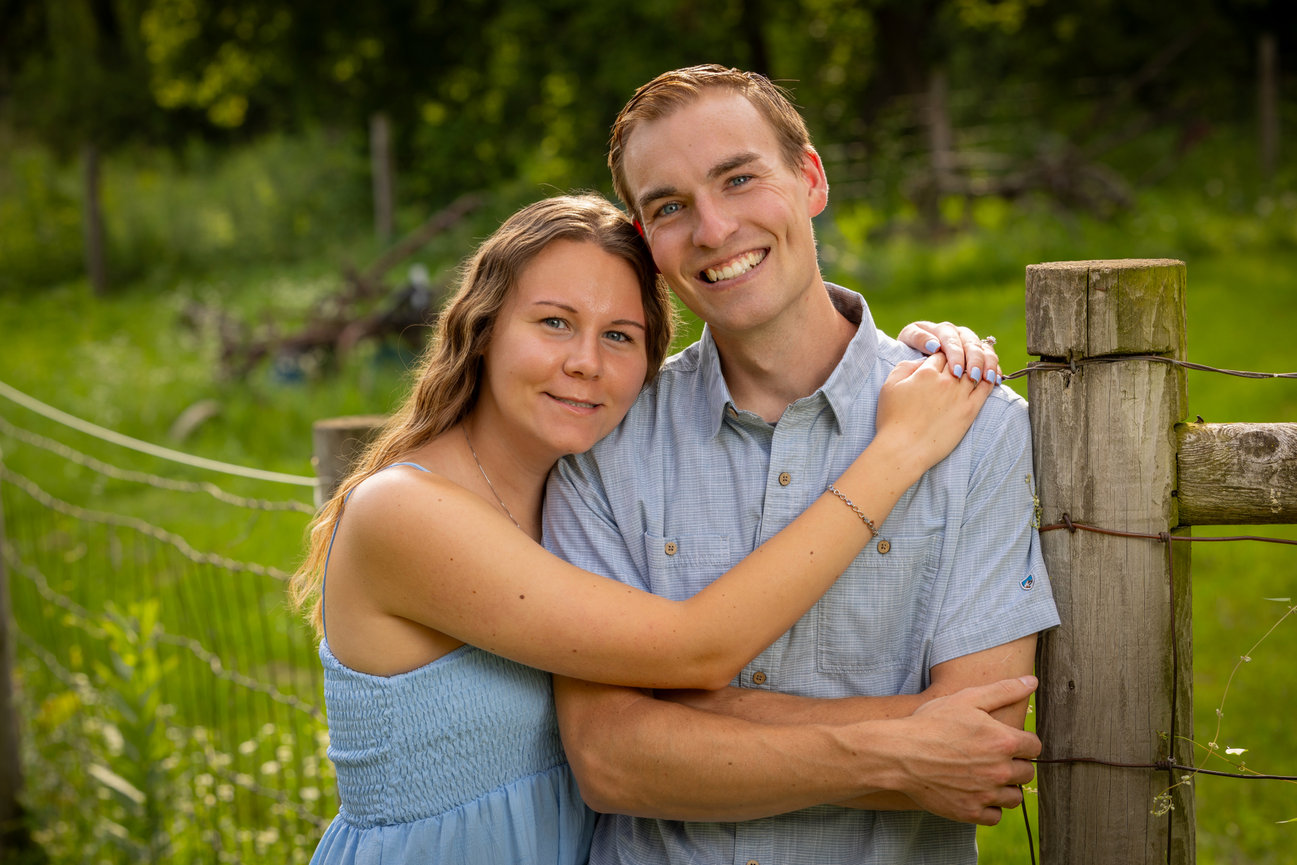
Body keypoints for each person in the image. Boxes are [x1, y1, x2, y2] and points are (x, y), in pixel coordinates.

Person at [290, 192, 1005, 865]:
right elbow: (699, 650)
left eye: (620, 336)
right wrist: (897, 451)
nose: (585, 362)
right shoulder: (406, 512)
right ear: (481, 329)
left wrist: (912, 357)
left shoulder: (579, 495)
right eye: (553, 322)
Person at [542, 65, 1061, 864]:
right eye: (670, 207)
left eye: (738, 178)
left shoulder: (977, 427)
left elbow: (980, 748)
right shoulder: (604, 444)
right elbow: (610, 759)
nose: (713, 229)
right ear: (646, 241)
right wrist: (900, 744)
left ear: (810, 178)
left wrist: (686, 716)